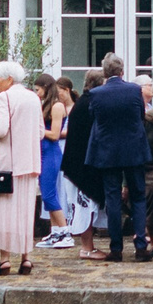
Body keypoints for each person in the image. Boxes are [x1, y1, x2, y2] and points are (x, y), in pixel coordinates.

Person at [84, 54, 153, 262]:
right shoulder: (135, 90)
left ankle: (116, 249)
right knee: (139, 196)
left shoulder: (96, 94)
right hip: (133, 150)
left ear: (105, 72)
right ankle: (141, 245)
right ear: (122, 71)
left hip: (108, 151)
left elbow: (93, 118)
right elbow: (141, 116)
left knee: (112, 199)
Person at [0, 60, 43, 275]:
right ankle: (26, 258)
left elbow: (1, 130)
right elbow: (40, 132)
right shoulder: (33, 97)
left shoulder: (4, 97)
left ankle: (5, 259)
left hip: (6, 164)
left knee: (3, 211)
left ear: (9, 79)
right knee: (25, 211)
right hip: (29, 162)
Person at [63, 70, 108, 258]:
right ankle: (87, 248)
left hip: (77, 162)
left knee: (85, 205)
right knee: (84, 206)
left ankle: (88, 247)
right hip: (82, 165)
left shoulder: (83, 102)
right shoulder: (90, 104)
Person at [39, 74, 73, 246]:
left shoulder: (57, 106)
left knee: (50, 194)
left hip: (51, 153)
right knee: (47, 194)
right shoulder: (45, 105)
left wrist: (37, 129)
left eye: (38, 89)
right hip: (42, 153)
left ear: (45, 87)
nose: (36, 93)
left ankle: (65, 232)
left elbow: (54, 134)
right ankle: (55, 232)